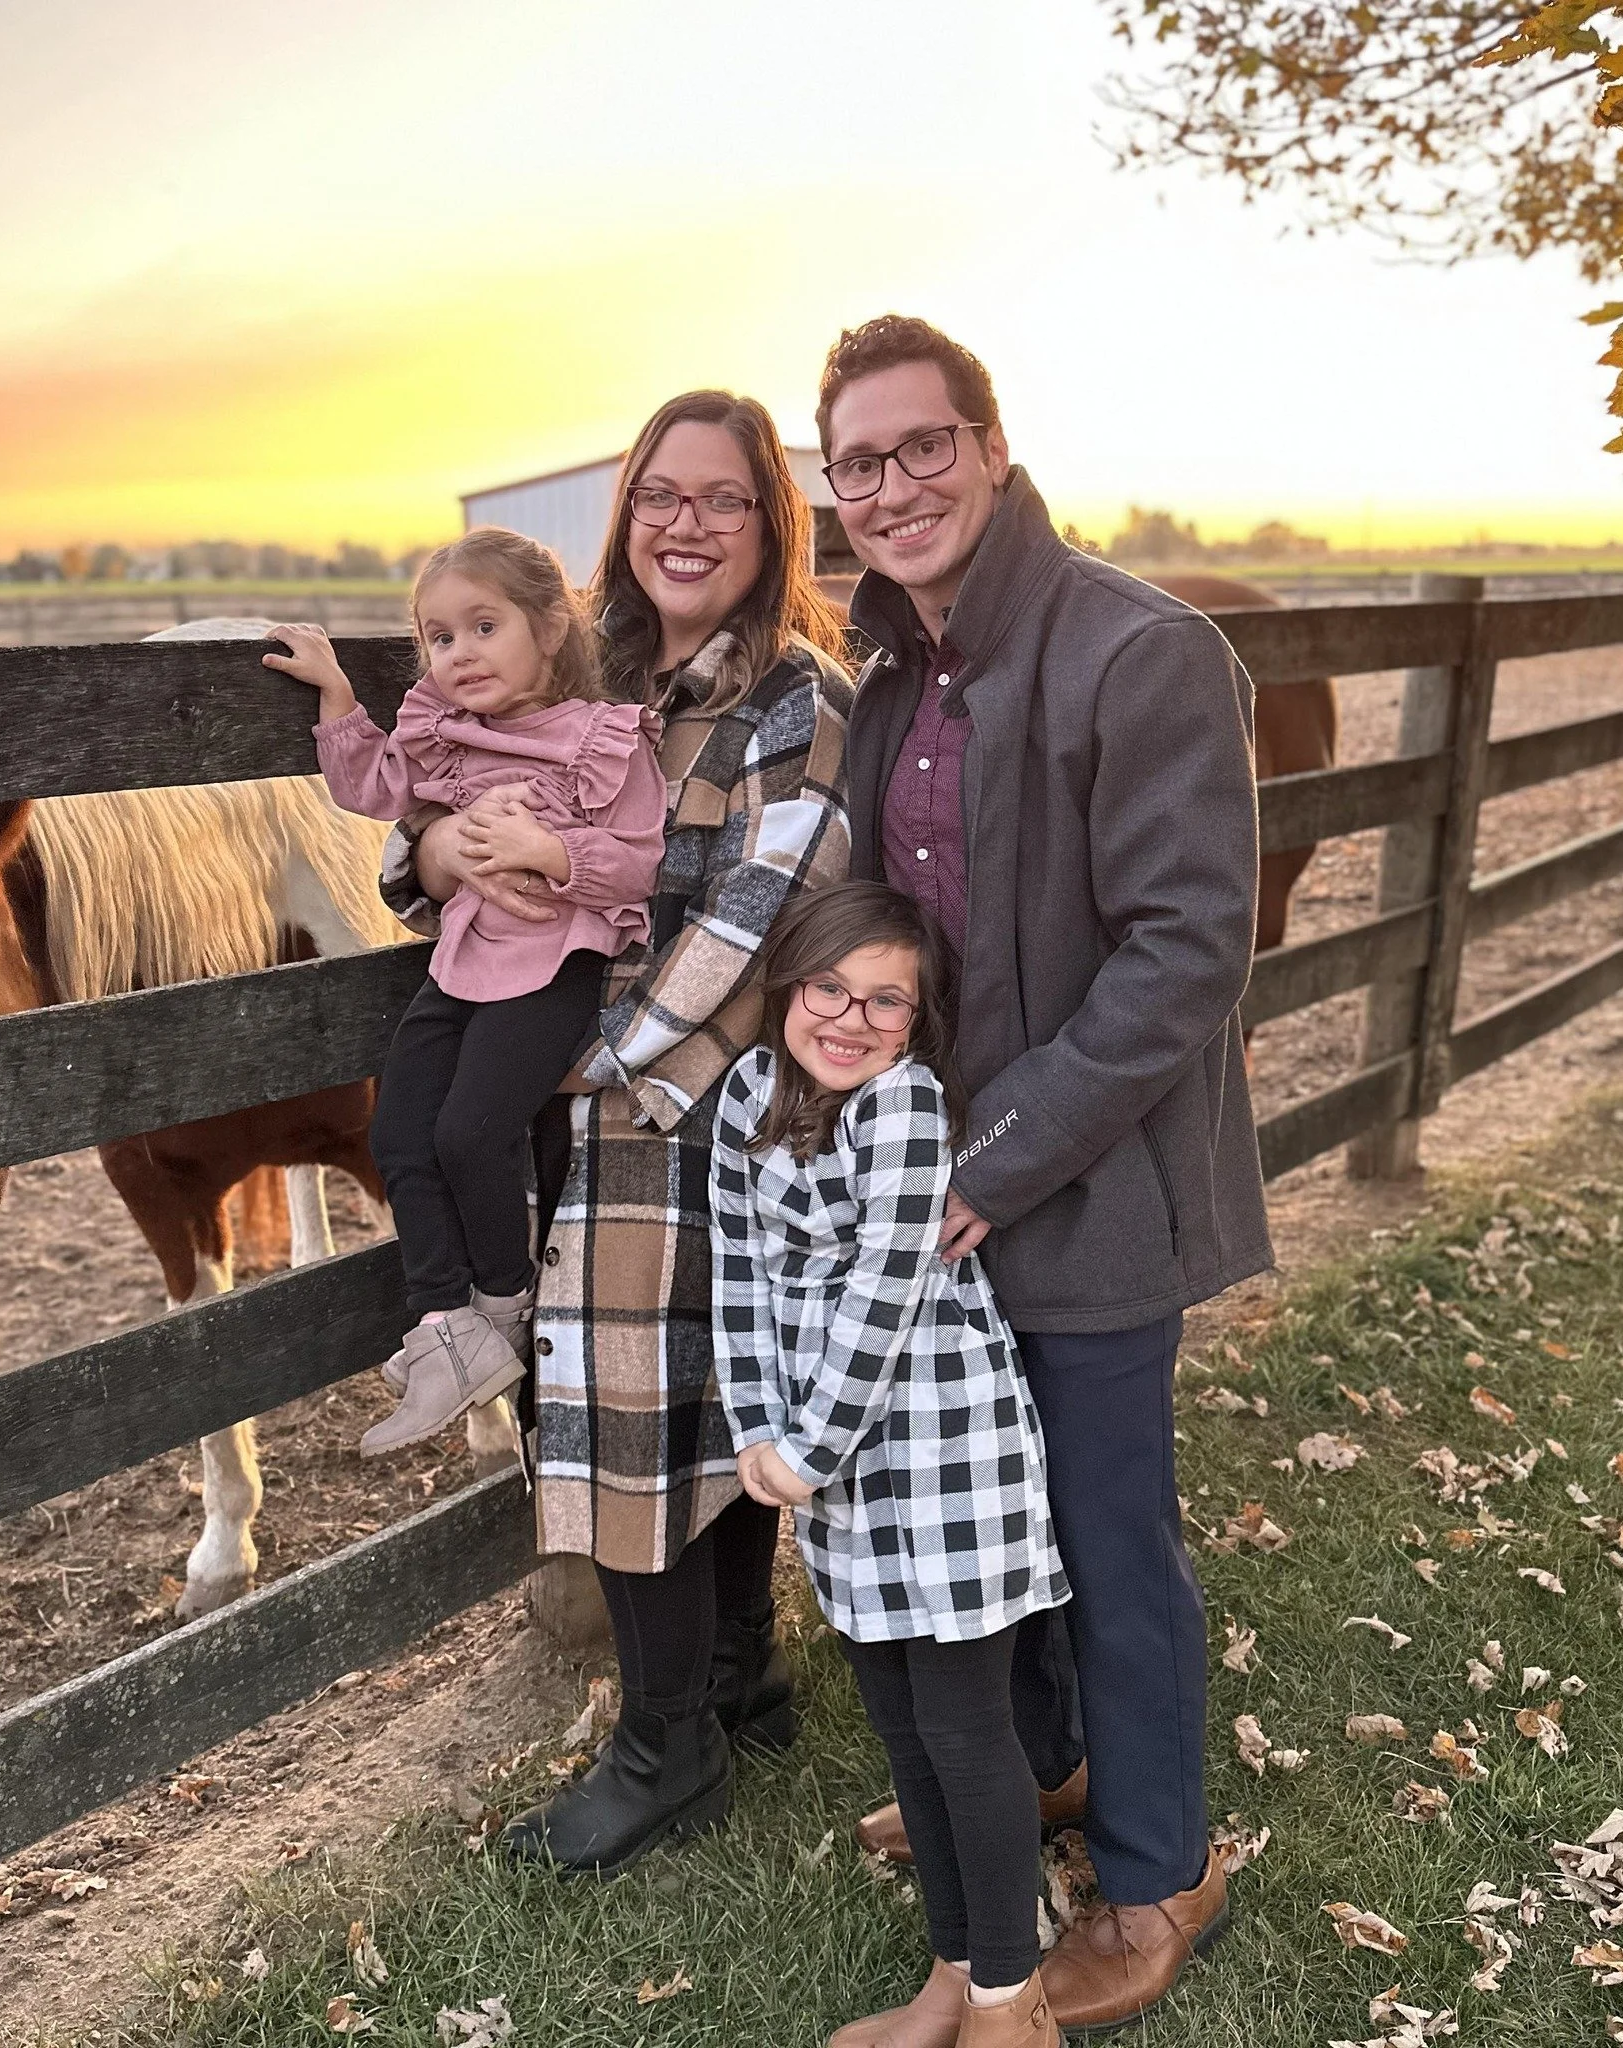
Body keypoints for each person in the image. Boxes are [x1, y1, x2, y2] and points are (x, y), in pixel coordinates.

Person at [818, 315, 1273, 2033]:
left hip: (1087, 1185)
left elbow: (1181, 949)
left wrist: (986, 1163)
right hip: (939, 1182)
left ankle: (1159, 1871)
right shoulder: (895, 677)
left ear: (989, 448)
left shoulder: (1135, 650)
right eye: (856, 464)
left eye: (919, 446)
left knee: (1104, 1528)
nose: (890, 486)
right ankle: (1054, 1765)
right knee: (997, 1516)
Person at [376, 392, 854, 1873]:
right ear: (626, 514)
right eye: (662, 494)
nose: (687, 524)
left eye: (724, 498)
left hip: (674, 1092)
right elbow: (430, 809)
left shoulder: (795, 701)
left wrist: (598, 1073)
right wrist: (431, 849)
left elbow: (761, 918)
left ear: (772, 524)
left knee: (645, 1406)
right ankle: (734, 1681)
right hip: (560, 1079)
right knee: (679, 1395)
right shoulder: (594, 671)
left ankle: (662, 1752)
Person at [714, 882, 1067, 2048]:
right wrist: (757, 1429)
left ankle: (1011, 2003)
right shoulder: (743, 1101)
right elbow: (739, 1278)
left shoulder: (905, 1106)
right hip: (833, 1467)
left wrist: (805, 1445)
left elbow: (881, 1295)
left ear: (916, 1023)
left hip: (942, 1443)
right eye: (828, 988)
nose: (849, 1018)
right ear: (787, 984)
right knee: (900, 1727)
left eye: (886, 1001)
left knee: (964, 1725)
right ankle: (952, 1971)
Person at [263, 529, 666, 1455]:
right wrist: (336, 694)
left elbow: (644, 863)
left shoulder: (600, 738)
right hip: (463, 958)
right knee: (399, 1129)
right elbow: (372, 787)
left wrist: (551, 852)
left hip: (556, 964)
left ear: (552, 628)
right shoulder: (440, 733)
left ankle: (501, 1304)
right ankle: (445, 1323)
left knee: (471, 1131)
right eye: (441, 638)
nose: (461, 653)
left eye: (485, 626)